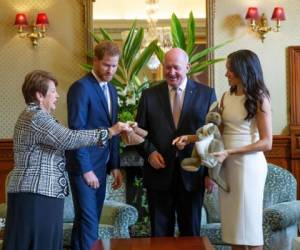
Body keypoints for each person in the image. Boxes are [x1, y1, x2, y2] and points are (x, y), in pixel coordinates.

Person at [2, 70, 130, 250]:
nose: (57, 95)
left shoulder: (37, 116)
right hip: (36, 193)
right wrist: (109, 132)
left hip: (40, 192)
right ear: (40, 95)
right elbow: (69, 138)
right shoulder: (36, 117)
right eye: (53, 91)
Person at [174, 49, 272, 250]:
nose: (226, 74)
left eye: (230, 70)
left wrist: (230, 152)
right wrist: (190, 138)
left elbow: (266, 143)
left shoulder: (259, 98)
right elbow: (217, 132)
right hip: (225, 164)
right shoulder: (227, 96)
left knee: (250, 230)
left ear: (243, 70)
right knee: (234, 230)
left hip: (248, 166)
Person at [135, 48, 217, 237]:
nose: (171, 72)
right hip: (158, 174)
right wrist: (149, 153)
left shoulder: (207, 94)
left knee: (191, 233)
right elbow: (137, 133)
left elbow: (212, 135)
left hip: (193, 175)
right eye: (167, 67)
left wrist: (210, 173)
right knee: (160, 233)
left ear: (187, 67)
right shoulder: (149, 95)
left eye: (176, 68)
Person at [66, 40, 122, 250]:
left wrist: (115, 165)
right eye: (107, 65)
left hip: (101, 165)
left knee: (86, 222)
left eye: (114, 66)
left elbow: (113, 128)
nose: (110, 70)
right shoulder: (81, 88)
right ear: (96, 61)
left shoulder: (113, 90)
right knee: (90, 224)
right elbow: (76, 132)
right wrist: (86, 169)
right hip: (85, 166)